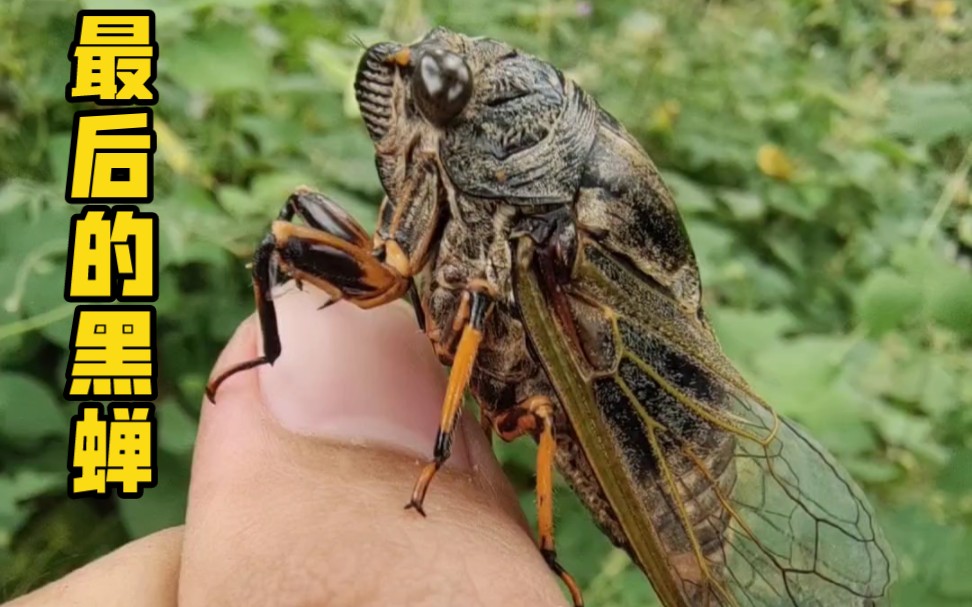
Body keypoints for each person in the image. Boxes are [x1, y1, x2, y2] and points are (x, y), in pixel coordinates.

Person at [7, 286, 569, 606]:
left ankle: (545, 547)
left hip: (526, 395)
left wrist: (436, 455)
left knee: (539, 412)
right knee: (287, 227)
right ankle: (277, 351)